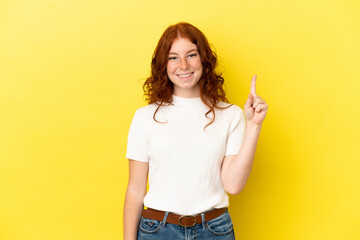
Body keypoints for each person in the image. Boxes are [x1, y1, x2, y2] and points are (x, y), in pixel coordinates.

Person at [123, 22, 268, 240]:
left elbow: (233, 184)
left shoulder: (231, 115)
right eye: (173, 57)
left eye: (191, 55)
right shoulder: (144, 118)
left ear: (204, 60)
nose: (183, 65)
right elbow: (135, 190)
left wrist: (254, 125)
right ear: (163, 64)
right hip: (157, 231)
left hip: (214, 230)